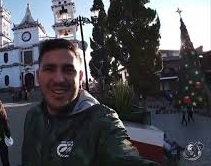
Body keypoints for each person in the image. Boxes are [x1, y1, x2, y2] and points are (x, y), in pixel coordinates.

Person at [21, 39, 157, 166]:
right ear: (38, 77)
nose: (58, 79)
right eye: (49, 69)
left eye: (68, 70)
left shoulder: (102, 122)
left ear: (80, 77)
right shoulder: (33, 116)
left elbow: (125, 158)